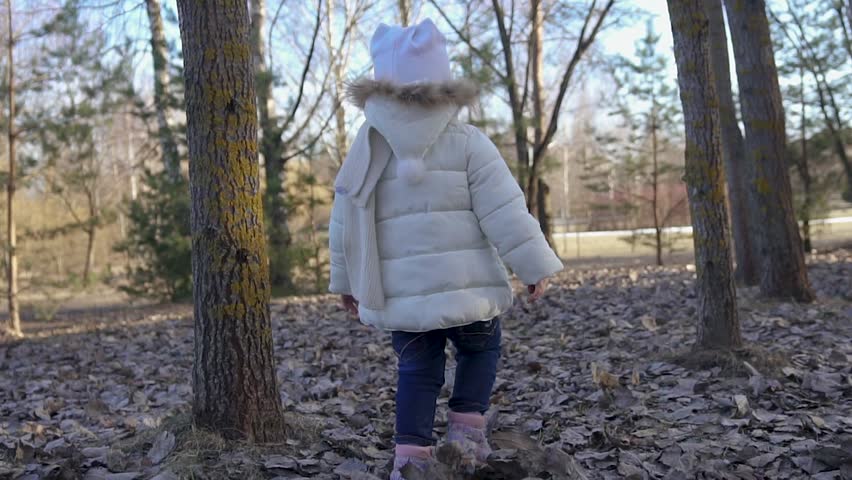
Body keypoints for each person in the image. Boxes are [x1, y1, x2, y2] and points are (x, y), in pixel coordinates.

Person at [328, 18, 563, 479]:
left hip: (403, 299)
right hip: (468, 292)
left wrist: (346, 282)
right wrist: (532, 265)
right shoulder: (470, 143)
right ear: (444, 82)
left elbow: (345, 221)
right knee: (481, 349)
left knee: (416, 370)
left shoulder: (366, 148)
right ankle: (466, 433)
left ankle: (411, 460)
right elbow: (506, 211)